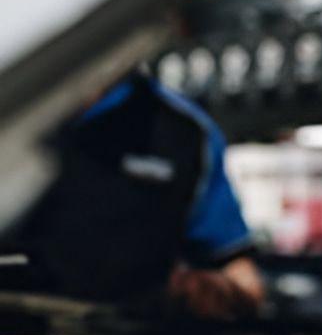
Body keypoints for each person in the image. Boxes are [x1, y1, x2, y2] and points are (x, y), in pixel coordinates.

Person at [13, 71, 264, 319]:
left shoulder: (186, 132)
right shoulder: (16, 104)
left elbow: (237, 271)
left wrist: (215, 291)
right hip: (14, 323)